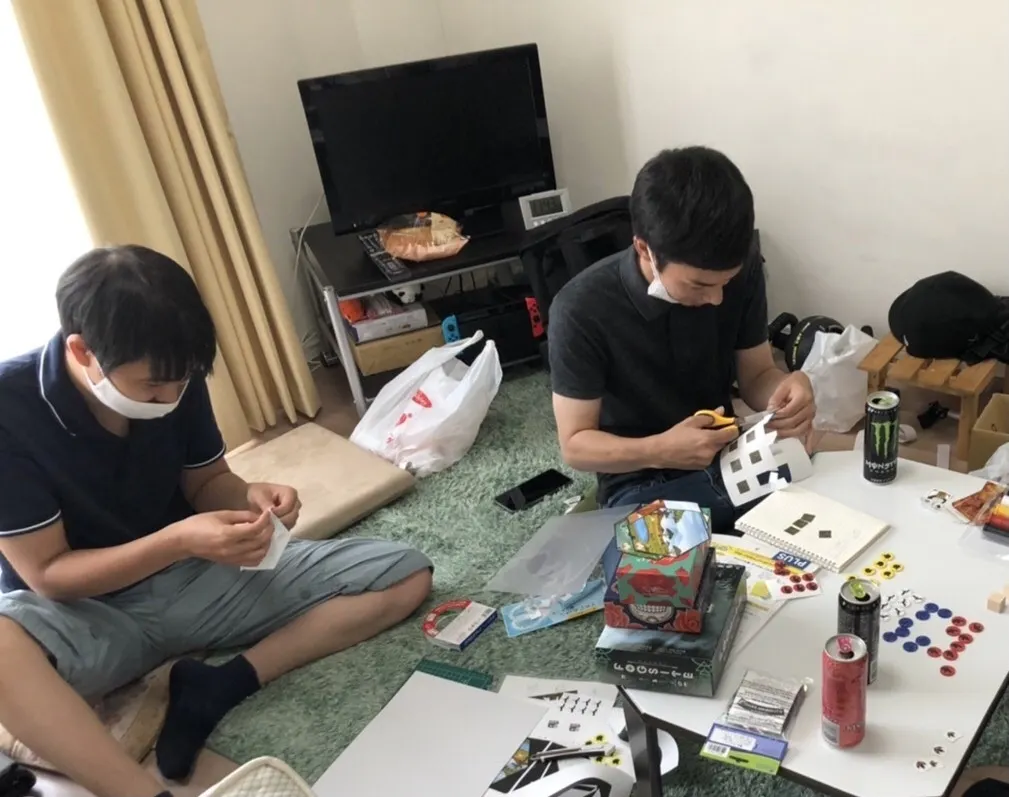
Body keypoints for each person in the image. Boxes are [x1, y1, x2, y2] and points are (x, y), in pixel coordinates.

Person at [0, 246, 433, 797]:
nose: (170, 398)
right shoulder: (10, 411)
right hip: (87, 611)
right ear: (83, 351)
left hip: (194, 578)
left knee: (403, 574)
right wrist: (178, 541)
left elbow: (206, 482)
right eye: (153, 387)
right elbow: (49, 575)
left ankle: (219, 684)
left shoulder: (175, 370)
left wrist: (252, 497)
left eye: (181, 383)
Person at [548, 146, 816, 535]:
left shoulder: (740, 271)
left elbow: (757, 376)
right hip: (638, 480)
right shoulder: (579, 309)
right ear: (645, 249)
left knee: (822, 512)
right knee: (670, 562)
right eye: (700, 285)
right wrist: (659, 450)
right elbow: (576, 445)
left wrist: (786, 390)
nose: (717, 299)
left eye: (726, 282)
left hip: (729, 459)